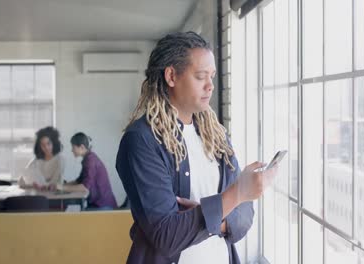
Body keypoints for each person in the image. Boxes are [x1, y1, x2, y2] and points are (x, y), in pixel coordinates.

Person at [116, 32, 278, 264]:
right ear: (171, 76)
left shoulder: (217, 136)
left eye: (212, 76)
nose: (210, 86)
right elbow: (167, 235)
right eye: (201, 76)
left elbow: (244, 219)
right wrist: (236, 195)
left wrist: (214, 213)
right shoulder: (141, 141)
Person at [68, 132, 117, 209]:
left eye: (73, 147)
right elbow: (79, 181)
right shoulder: (88, 158)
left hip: (103, 206)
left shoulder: (90, 161)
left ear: (81, 147)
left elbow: (85, 187)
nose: (72, 150)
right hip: (98, 204)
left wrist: (62, 188)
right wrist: (63, 185)